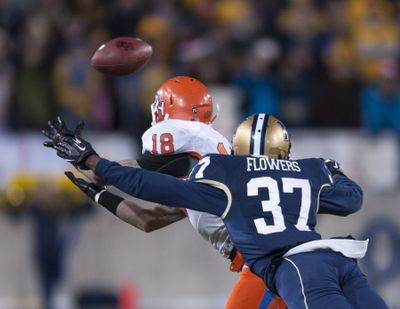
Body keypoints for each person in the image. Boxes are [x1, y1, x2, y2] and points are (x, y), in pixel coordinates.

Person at [44, 112, 388, 308]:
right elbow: (351, 199)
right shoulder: (308, 169)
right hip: (337, 258)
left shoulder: (225, 175)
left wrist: (93, 161)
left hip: (291, 270)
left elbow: (150, 186)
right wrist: (332, 170)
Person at [43, 76, 285, 309]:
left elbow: (132, 175)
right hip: (268, 261)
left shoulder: (192, 141)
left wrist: (88, 160)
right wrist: (100, 194)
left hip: (264, 264)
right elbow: (148, 220)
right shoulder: (205, 175)